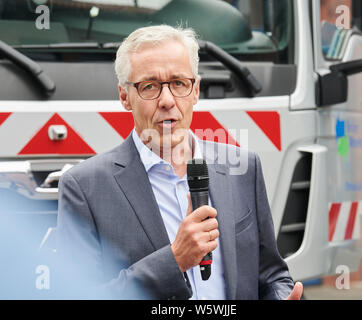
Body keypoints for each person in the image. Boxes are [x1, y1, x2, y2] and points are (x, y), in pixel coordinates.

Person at [56, 25, 303, 300]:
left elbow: (271, 274)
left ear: (195, 90)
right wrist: (174, 260)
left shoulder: (242, 167)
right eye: (149, 86)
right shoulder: (85, 187)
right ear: (125, 97)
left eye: (179, 83)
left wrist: (281, 296)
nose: (167, 100)